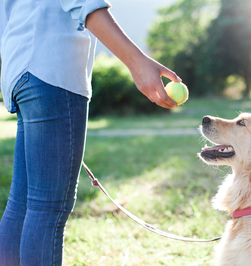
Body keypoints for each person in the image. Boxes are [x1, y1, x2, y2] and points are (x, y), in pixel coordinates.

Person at [0, 0, 182, 265]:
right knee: (46, 208)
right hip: (53, 70)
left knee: (21, 205)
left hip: (21, 70)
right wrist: (136, 61)